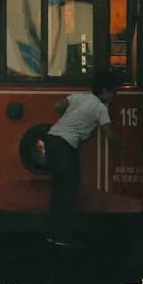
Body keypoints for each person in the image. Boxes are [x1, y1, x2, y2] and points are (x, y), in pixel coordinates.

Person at [45, 71, 123, 248]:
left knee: (59, 189)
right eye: (113, 93)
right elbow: (109, 134)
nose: (114, 97)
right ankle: (63, 235)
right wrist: (122, 145)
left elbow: (57, 106)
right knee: (70, 190)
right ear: (105, 91)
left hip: (51, 139)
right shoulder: (102, 109)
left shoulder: (79, 97)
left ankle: (53, 232)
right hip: (66, 145)